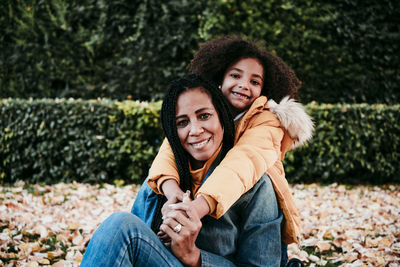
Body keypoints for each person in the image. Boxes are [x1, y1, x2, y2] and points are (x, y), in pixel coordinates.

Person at [81, 73, 283, 266]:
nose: (195, 130)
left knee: (120, 225)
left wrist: (192, 256)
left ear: (221, 117)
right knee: (119, 226)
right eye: (182, 122)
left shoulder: (257, 187)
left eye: (204, 116)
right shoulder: (162, 181)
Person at [145, 35, 314, 265]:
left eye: (255, 82)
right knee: (153, 187)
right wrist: (172, 190)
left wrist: (195, 208)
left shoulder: (267, 121)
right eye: (235, 75)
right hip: (217, 200)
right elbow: (170, 148)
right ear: (220, 78)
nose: (244, 85)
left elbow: (241, 164)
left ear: (265, 88)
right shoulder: (206, 109)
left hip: (256, 208)